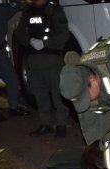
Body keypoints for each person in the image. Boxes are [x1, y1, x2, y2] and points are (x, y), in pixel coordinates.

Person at [14, 0, 70, 137]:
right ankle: (46, 124)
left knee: (58, 96)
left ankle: (61, 125)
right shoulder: (28, 11)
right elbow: (19, 32)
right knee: (39, 95)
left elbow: (64, 35)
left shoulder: (54, 10)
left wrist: (45, 43)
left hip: (52, 60)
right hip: (34, 61)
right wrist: (29, 41)